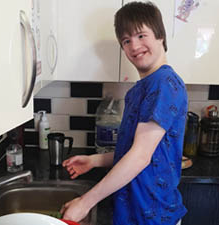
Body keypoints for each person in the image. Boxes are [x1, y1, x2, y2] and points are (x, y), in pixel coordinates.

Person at [60, 2, 188, 225]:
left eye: (141, 35)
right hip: (134, 213)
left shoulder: (164, 84)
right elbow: (133, 150)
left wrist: (85, 202)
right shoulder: (138, 90)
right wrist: (94, 160)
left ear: (160, 36)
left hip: (154, 215)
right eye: (126, 40)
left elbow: (140, 157)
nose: (134, 46)